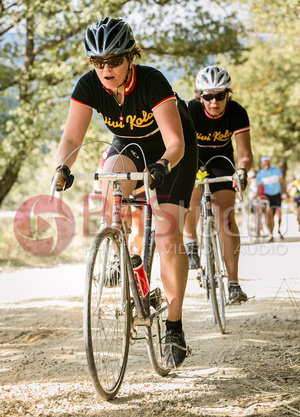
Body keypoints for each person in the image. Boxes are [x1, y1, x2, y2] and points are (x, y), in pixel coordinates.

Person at [54, 17, 197, 369]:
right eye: (98, 62)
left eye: (115, 60)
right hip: (131, 146)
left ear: (130, 57)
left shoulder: (151, 81)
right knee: (110, 176)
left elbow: (175, 142)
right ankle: (121, 251)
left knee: (166, 233)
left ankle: (174, 324)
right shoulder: (89, 86)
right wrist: (62, 166)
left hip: (172, 149)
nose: (106, 69)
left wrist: (162, 167)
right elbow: (72, 139)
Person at [185, 65, 253, 305]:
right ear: (199, 96)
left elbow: (244, 153)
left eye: (220, 95)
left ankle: (233, 284)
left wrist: (242, 170)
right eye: (208, 96)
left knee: (226, 218)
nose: (214, 102)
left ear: (228, 94)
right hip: (193, 159)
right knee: (190, 197)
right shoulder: (190, 110)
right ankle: (191, 240)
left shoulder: (236, 112)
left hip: (222, 162)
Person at [256, 156, 287, 242]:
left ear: (269, 162)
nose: (266, 164)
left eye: (267, 162)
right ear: (262, 163)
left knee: (279, 214)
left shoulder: (276, 170)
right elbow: (259, 187)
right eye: (264, 163)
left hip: (277, 195)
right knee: (270, 215)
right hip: (267, 197)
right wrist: (259, 196)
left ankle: (279, 230)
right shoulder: (260, 174)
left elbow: (282, 182)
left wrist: (285, 192)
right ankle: (271, 235)